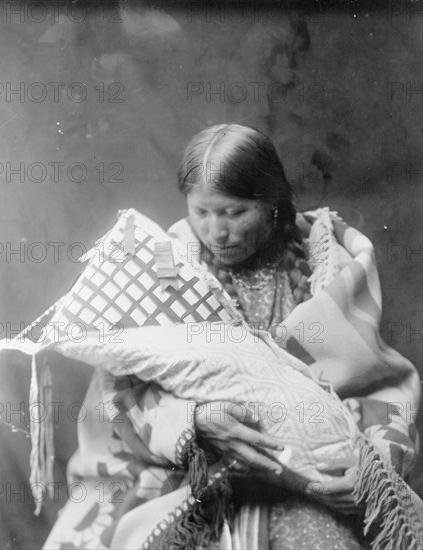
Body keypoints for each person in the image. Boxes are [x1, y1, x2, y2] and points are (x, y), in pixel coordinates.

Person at [38, 123, 419, 549]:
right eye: (201, 212)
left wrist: (372, 468)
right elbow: (119, 390)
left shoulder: (326, 264)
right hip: (191, 478)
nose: (216, 231)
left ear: (272, 203)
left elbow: (377, 382)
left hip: (306, 481)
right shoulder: (164, 265)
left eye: (235, 213)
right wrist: (193, 424)